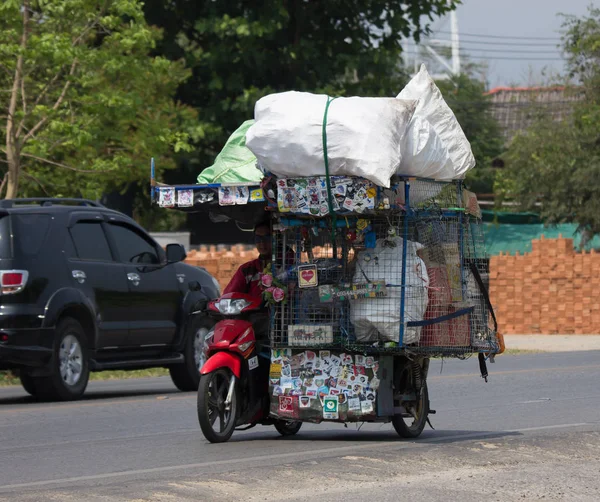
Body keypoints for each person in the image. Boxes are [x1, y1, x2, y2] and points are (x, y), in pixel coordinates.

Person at [223, 221, 272, 296]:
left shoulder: (288, 265)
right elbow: (229, 295)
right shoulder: (247, 270)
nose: (262, 243)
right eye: (258, 239)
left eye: (267, 238)